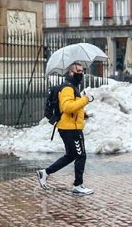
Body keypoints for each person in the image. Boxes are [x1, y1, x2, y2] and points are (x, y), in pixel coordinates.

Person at [36, 62, 94, 195]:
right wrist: (85, 99)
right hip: (70, 129)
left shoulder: (72, 86)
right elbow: (67, 107)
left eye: (82, 70)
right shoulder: (68, 88)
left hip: (70, 126)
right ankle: (78, 185)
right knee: (81, 155)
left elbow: (71, 107)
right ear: (71, 72)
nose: (82, 73)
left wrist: (83, 115)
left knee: (71, 155)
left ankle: (44, 173)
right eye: (79, 70)